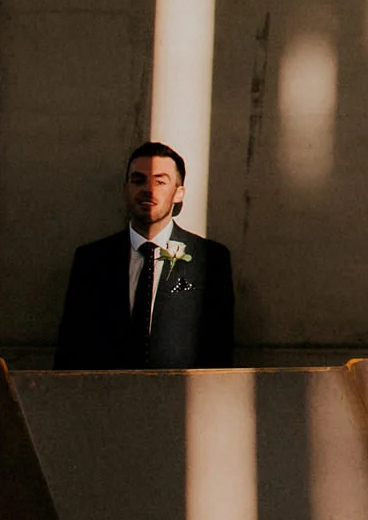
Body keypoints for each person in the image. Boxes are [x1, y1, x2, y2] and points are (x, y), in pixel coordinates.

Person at [54, 142, 237, 370]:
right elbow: (71, 346)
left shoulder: (211, 259)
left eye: (160, 181)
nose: (148, 190)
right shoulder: (91, 260)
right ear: (126, 188)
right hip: (105, 396)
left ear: (179, 193)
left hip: (180, 397)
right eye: (138, 180)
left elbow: (218, 348)